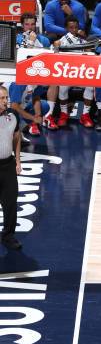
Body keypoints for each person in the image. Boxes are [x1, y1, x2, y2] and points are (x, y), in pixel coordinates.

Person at [52, 16, 95, 129]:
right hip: (66, 74)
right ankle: (64, 114)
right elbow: (54, 58)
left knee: (91, 86)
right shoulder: (60, 41)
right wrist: (56, 48)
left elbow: (90, 58)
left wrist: (88, 50)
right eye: (71, 28)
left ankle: (85, 115)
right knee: (62, 87)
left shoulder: (83, 41)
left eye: (76, 27)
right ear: (66, 28)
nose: (74, 30)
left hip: (80, 74)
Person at [0, 86, 23, 250]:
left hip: (8, 165)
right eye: (1, 98)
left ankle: (8, 235)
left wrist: (18, 160)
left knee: (10, 203)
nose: (5, 101)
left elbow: (16, 135)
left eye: (6, 97)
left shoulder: (12, 115)